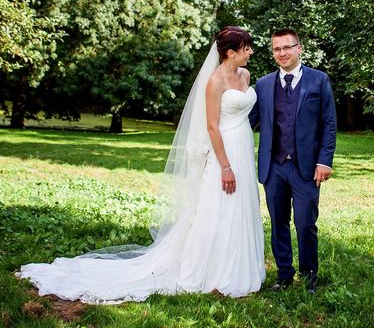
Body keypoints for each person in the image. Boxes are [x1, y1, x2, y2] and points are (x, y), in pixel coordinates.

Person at [16, 27, 265, 303]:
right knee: (220, 207)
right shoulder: (215, 81)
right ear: (230, 52)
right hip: (225, 149)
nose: (251, 51)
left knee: (241, 204)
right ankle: (214, 270)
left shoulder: (245, 75)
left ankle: (242, 265)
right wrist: (226, 167)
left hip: (243, 145)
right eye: (246, 48)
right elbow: (211, 126)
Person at [249, 28, 337, 294]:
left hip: (307, 167)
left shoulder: (319, 80)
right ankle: (284, 273)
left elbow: (329, 124)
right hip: (273, 166)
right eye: (277, 49)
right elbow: (249, 122)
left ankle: (310, 275)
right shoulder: (263, 84)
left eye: (287, 47)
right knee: (278, 222)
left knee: (305, 223)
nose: (282, 53)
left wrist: (325, 161)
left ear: (299, 48)